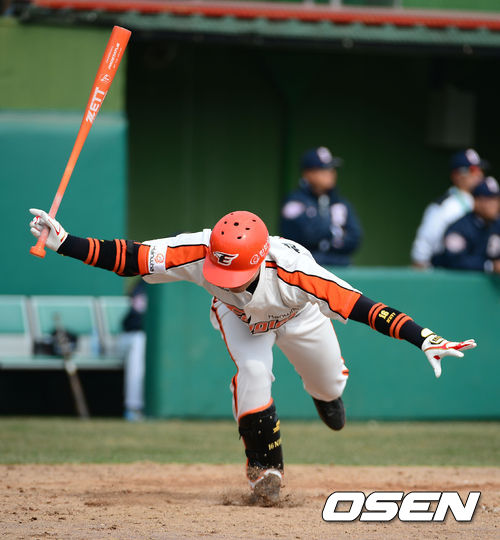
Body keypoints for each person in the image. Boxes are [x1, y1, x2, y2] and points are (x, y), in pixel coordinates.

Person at [29, 208, 476, 505]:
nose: (226, 275)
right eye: (221, 268)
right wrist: (64, 241)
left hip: (298, 315)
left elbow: (367, 308)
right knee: (254, 370)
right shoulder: (203, 249)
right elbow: (132, 257)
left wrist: (423, 338)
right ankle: (264, 468)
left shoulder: (298, 273)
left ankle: (325, 396)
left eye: (237, 271)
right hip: (240, 318)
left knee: (329, 384)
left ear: (260, 259)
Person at [280, 147, 362, 266]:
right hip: (305, 267)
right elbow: (306, 237)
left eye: (332, 169)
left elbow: (355, 239)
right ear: (308, 174)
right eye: (323, 169)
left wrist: (325, 238)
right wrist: (336, 234)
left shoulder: (340, 203)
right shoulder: (294, 202)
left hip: (340, 267)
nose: (330, 174)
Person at [411, 148, 487, 269]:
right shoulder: (444, 206)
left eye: (480, 169)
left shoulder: (486, 204)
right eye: (473, 170)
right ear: (456, 175)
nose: (479, 175)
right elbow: (423, 248)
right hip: (447, 269)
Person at [432, 177, 500, 273]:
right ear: (476, 202)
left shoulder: (497, 225)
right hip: (449, 280)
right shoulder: (459, 228)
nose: (495, 205)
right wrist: (489, 266)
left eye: (497, 199)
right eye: (489, 200)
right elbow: (455, 262)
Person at [120, 279, 148, 421]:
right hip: (130, 335)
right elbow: (136, 320)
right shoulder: (144, 282)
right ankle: (133, 407)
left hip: (147, 338)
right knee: (139, 341)